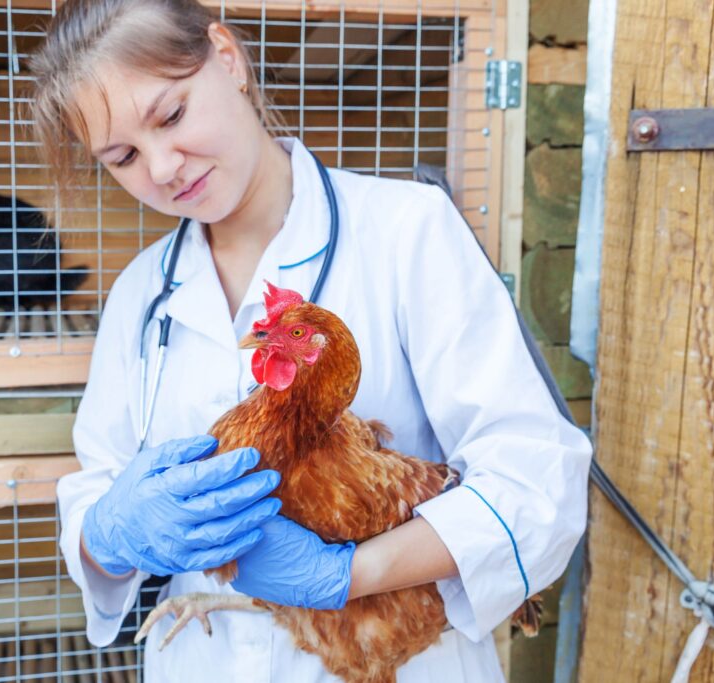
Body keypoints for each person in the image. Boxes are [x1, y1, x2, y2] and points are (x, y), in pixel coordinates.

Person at [30, 1, 592, 681]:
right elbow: (96, 492)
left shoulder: (408, 233)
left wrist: (352, 571)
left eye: (171, 116)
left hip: (394, 652)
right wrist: (108, 533)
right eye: (121, 156)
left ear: (227, 58)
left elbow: (536, 481)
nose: (163, 166)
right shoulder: (140, 297)